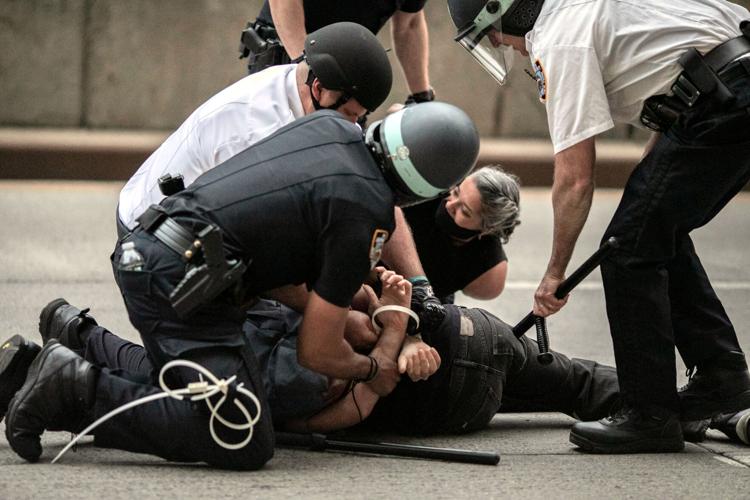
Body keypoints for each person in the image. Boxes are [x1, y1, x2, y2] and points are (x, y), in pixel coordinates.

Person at [2, 102, 480, 468]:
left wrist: (346, 302)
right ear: (426, 189)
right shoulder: (364, 212)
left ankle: (55, 354)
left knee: (206, 383)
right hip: (180, 280)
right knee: (241, 432)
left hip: (161, 250)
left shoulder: (331, 128)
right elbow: (317, 352)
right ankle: (72, 390)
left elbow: (286, 253)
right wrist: (372, 366)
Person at [447, 0, 750, 453]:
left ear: (505, 11)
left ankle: (648, 415)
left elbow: (574, 179)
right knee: (651, 232)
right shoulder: (590, 6)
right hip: (727, 90)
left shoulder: (558, 38)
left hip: (723, 102)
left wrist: (555, 274)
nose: (497, 43)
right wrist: (647, 187)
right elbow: (684, 75)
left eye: (490, 32)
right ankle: (721, 379)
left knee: (627, 251)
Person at [118, 21, 392, 233]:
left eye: (359, 118)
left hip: (198, 216)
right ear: (320, 90)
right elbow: (258, 235)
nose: (353, 127)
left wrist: (415, 283)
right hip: (146, 238)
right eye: (348, 115)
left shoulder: (296, 83)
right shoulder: (255, 131)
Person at [239, 0, 434, 106]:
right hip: (287, 62)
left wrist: (421, 97)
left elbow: (410, 24)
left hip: (345, 79)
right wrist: (306, 66)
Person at [401, 165, 521, 303]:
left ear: (488, 229)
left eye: (464, 211)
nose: (449, 205)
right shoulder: (426, 188)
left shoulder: (489, 272)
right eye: (456, 192)